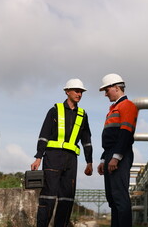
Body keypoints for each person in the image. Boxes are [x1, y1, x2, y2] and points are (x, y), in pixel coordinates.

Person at [30, 78, 93, 227]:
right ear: (67, 92)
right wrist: (38, 157)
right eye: (76, 91)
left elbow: (87, 140)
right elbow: (44, 134)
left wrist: (89, 161)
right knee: (48, 196)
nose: (79, 94)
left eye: (81, 92)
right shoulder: (54, 111)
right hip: (53, 157)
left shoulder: (83, 115)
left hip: (71, 161)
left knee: (67, 198)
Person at [97, 73, 138, 227]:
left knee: (120, 196)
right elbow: (110, 138)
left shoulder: (127, 105)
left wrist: (116, 156)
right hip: (110, 153)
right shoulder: (113, 109)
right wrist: (103, 159)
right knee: (112, 197)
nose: (105, 94)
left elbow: (126, 133)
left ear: (116, 87)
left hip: (120, 153)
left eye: (107, 90)